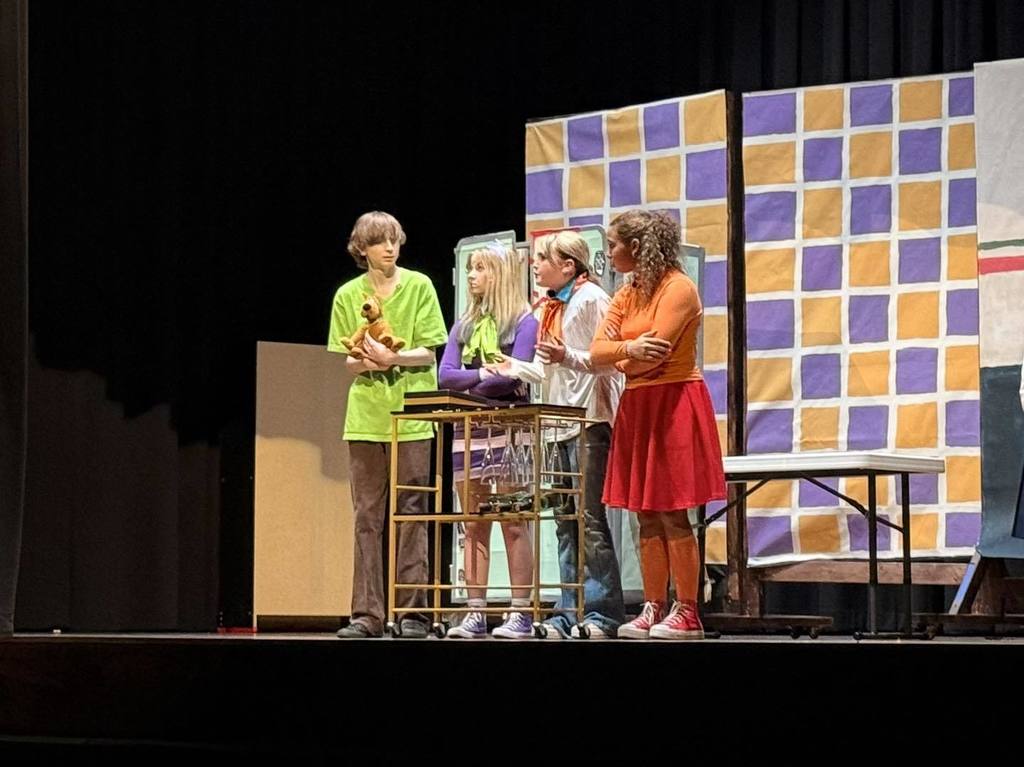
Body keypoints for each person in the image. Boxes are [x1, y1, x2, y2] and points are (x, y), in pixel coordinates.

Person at [590, 210, 726, 640]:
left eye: (614, 244)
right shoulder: (627, 294)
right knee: (644, 514)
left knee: (672, 513)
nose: (609, 253)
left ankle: (688, 611)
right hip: (639, 403)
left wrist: (623, 357)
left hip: (674, 401)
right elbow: (596, 352)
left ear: (637, 246)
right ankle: (654, 605)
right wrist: (628, 349)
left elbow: (658, 355)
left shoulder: (678, 288)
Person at [487, 230, 625, 639]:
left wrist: (569, 356)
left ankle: (601, 612)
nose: (536, 263)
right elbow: (550, 371)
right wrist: (510, 367)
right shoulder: (550, 306)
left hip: (588, 420)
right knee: (565, 520)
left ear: (568, 265)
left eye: (544, 257)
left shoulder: (591, 300)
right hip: (559, 423)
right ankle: (569, 610)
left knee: (588, 519)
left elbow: (609, 361)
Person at [327, 211, 448, 639]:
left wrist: (394, 357)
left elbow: (431, 351)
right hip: (365, 417)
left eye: (394, 240)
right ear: (362, 248)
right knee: (367, 516)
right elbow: (345, 358)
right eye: (379, 242)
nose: (389, 248)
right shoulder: (347, 295)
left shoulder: (420, 286)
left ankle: (413, 614)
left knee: (414, 509)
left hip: (412, 414)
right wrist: (367, 361)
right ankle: (367, 614)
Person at [438, 241, 539, 639]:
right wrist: (481, 376)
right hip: (471, 429)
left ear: (499, 275)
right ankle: (475, 611)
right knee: (473, 521)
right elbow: (446, 377)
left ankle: (520, 612)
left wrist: (480, 381)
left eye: (479, 269)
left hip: (512, 429)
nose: (471, 276)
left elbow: (512, 377)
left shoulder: (524, 322)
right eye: (469, 269)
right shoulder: (464, 323)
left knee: (512, 521)